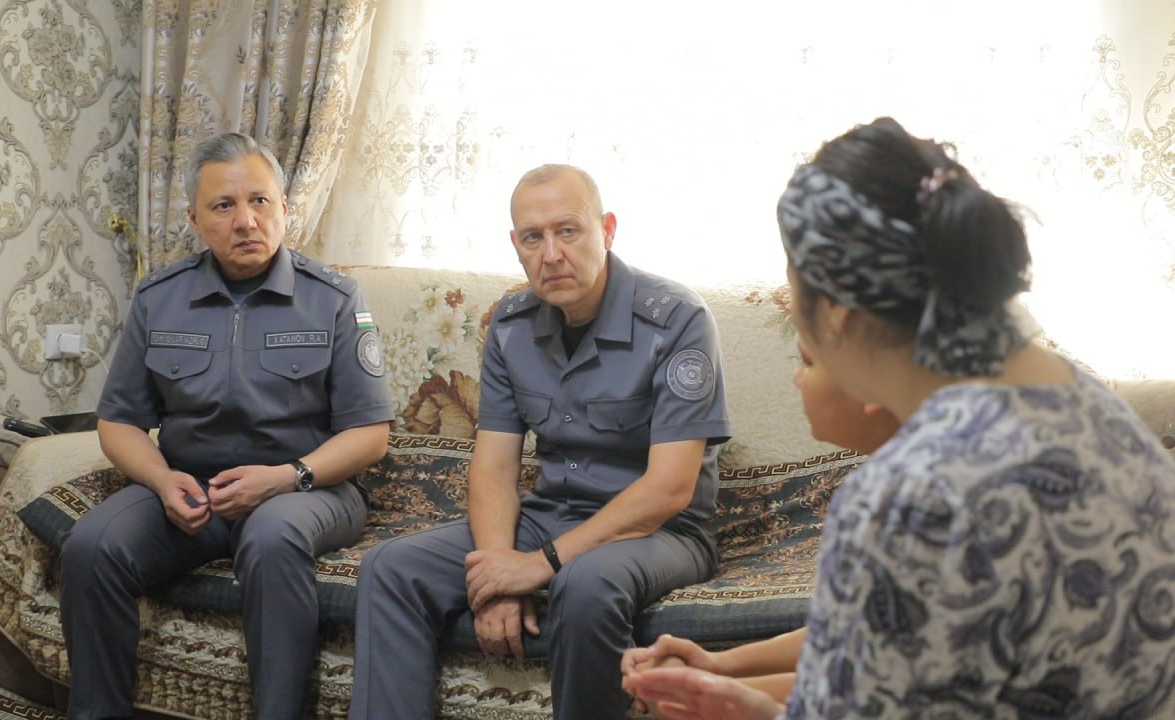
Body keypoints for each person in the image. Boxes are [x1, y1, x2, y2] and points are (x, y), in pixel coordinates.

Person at [625, 117, 1175, 719]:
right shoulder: (1086, 400)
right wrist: (729, 669)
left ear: (835, 310)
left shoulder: (908, 495)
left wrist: (745, 711)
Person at [348, 164, 732, 720]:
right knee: (390, 568)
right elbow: (494, 469)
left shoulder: (677, 319)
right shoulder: (510, 324)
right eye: (533, 237)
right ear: (516, 245)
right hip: (549, 516)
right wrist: (498, 572)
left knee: (585, 583)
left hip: (661, 532)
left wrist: (540, 564)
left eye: (568, 231)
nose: (552, 254)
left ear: (607, 230)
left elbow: (669, 489)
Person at [59, 132, 394, 720]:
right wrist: (162, 481)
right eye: (224, 206)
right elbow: (120, 422)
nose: (246, 221)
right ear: (194, 219)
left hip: (307, 487)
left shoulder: (334, 298)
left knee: (272, 536)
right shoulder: (159, 298)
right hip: (194, 488)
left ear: (284, 208)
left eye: (260, 201)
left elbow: (370, 434)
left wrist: (285, 477)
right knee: (91, 546)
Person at [621, 348, 900, 713]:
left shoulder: (917, 501)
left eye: (807, 361)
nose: (797, 377)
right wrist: (715, 669)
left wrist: (754, 707)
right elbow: (858, 634)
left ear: (869, 380)